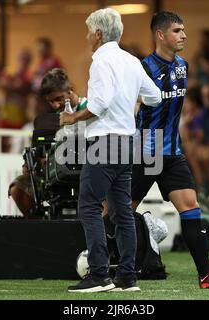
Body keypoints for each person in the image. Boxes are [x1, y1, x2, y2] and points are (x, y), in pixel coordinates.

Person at [132, 11, 209, 288]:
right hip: (146, 153)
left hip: (173, 153)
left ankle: (206, 273)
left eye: (183, 30)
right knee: (118, 211)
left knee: (191, 207)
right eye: (177, 31)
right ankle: (102, 265)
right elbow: (132, 108)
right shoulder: (143, 69)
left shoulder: (183, 65)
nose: (183, 35)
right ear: (160, 35)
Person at [60, 8, 162, 293]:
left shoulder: (101, 61)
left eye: (88, 31)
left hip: (104, 143)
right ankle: (127, 277)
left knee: (89, 206)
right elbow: (153, 97)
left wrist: (71, 118)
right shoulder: (132, 61)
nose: (86, 36)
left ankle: (100, 275)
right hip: (127, 143)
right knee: (122, 212)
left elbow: (98, 104)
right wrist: (129, 103)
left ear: (99, 34)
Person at [8, 68, 87, 217]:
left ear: (70, 91)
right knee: (17, 188)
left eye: (59, 98)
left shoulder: (89, 108)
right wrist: (32, 163)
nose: (56, 105)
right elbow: (38, 149)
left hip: (87, 171)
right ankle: (39, 226)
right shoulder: (46, 120)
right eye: (51, 101)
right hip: (53, 174)